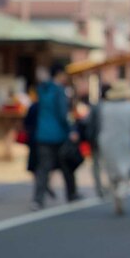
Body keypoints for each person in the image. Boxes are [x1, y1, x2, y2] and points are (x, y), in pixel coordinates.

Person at [31, 63, 80, 211]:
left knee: (43, 168)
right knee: (66, 165)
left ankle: (38, 200)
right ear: (59, 74)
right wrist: (71, 130)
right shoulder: (59, 91)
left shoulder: (41, 90)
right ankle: (71, 194)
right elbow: (63, 114)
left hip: (42, 134)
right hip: (58, 134)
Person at [98, 81, 130, 215]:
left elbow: (99, 125)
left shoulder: (104, 107)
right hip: (123, 141)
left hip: (106, 142)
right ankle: (121, 192)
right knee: (124, 171)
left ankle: (116, 199)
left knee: (111, 171)